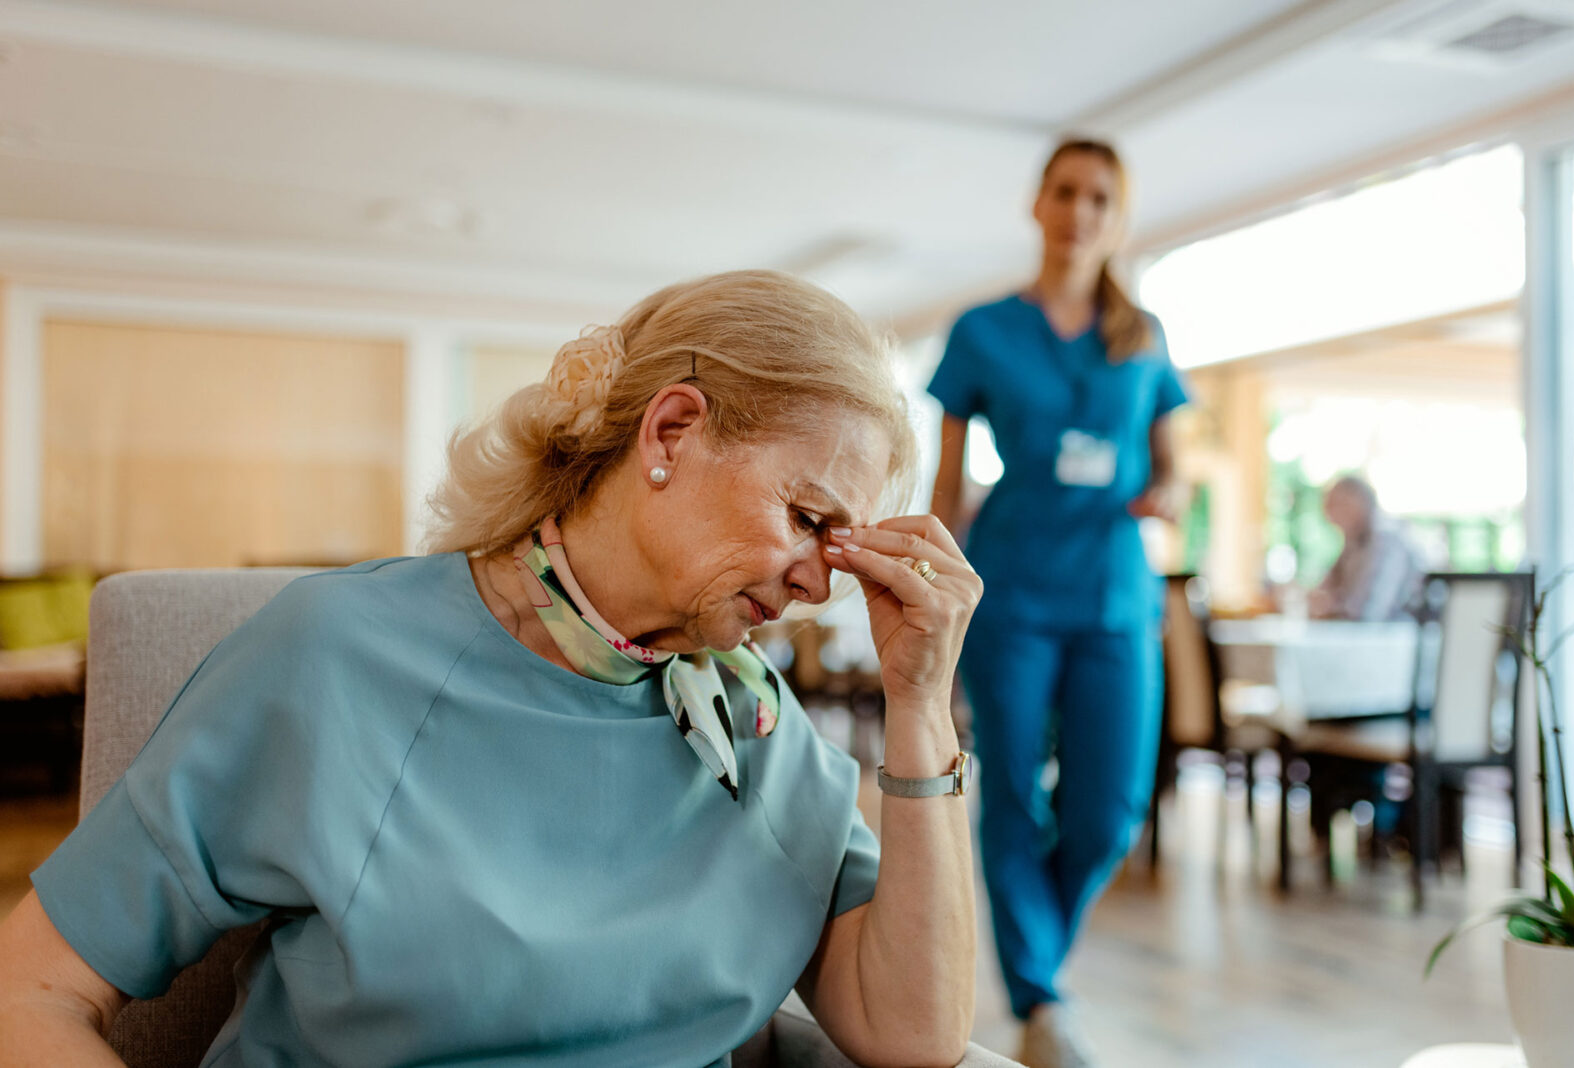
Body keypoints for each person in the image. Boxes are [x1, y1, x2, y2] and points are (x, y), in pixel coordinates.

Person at [0, 271, 984, 1067]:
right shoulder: (332, 654)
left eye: (841, 543)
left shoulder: (757, 727)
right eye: (807, 518)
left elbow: (908, 1032)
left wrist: (919, 703)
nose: (820, 581)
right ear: (672, 432)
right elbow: (28, 993)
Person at [927, 138, 1187, 1068]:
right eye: (1066, 191)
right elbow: (948, 487)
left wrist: (1171, 496)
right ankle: (1040, 999)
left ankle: (1035, 950)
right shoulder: (982, 330)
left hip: (1116, 595)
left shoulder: (1142, 335)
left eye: (1099, 197)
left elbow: (1176, 467)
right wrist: (929, 597)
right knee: (1013, 801)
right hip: (1015, 593)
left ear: (1116, 217)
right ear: (1038, 203)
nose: (1080, 210)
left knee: (1109, 812)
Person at [1308, 474, 1423, 622]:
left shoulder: (1386, 541)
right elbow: (1326, 589)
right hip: (1367, 635)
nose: (1330, 515)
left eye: (1336, 505)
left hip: (1396, 634)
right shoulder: (1354, 542)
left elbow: (1371, 610)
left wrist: (1329, 606)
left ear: (1358, 502)